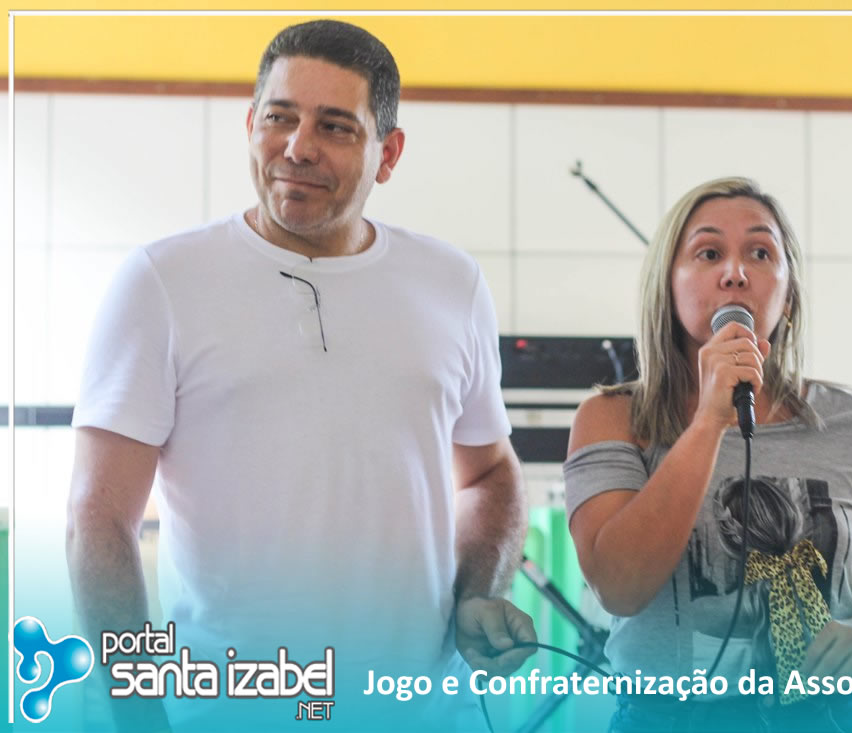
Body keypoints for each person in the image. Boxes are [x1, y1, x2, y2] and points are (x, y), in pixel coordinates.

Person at [66, 19, 534, 732]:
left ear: (388, 153)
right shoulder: (162, 281)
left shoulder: (452, 283)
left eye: (335, 126)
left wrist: (478, 592)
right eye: (279, 117)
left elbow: (491, 473)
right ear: (251, 123)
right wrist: (136, 713)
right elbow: (99, 518)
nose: (298, 147)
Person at [563, 177, 852, 733]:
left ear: (789, 295)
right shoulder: (613, 417)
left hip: (832, 718)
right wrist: (710, 421)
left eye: (760, 253)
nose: (735, 272)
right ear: (667, 285)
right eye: (708, 253)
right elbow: (619, 587)